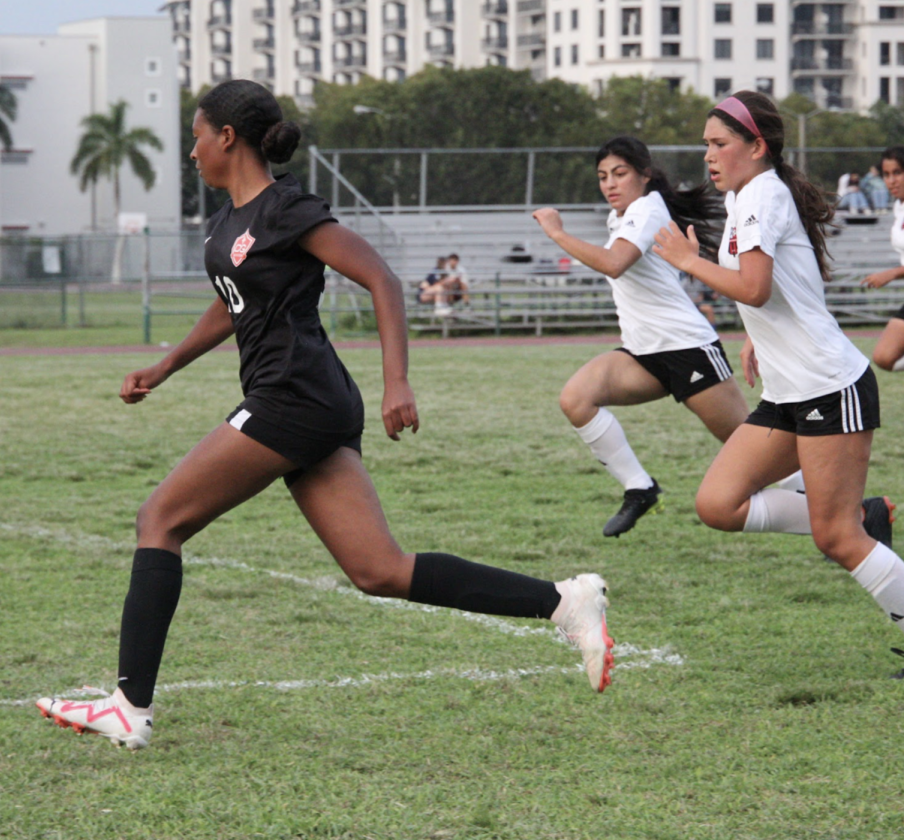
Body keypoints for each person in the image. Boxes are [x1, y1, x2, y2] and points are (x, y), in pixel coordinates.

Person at [34, 79, 617, 749]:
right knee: (378, 570)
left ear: (227, 137)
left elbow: (382, 279)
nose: (191, 151)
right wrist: (166, 367)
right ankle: (564, 601)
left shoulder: (288, 208)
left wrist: (398, 379)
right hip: (311, 402)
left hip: (294, 397)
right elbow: (233, 303)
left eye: (197, 136)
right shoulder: (226, 223)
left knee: (159, 519)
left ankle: (129, 708)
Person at [653, 92, 904, 675]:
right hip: (791, 393)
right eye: (706, 145)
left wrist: (688, 262)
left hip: (828, 386)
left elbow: (756, 286)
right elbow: (781, 285)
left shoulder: (763, 192)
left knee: (834, 539)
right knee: (718, 503)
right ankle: (864, 516)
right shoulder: (749, 195)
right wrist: (757, 335)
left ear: (756, 146)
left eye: (719, 144)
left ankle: (859, 532)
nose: (709, 156)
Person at [532, 136, 762, 538]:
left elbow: (615, 263)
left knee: (756, 453)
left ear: (645, 175)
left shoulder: (646, 208)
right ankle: (640, 488)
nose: (609, 184)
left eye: (619, 174)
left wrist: (557, 234)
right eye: (603, 176)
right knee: (576, 399)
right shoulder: (620, 216)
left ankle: (848, 510)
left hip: (687, 350)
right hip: (643, 354)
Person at [860, 147, 904, 372]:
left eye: (897, 172)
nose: (891, 180)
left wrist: (892, 273)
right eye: (886, 174)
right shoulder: (899, 207)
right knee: (884, 357)